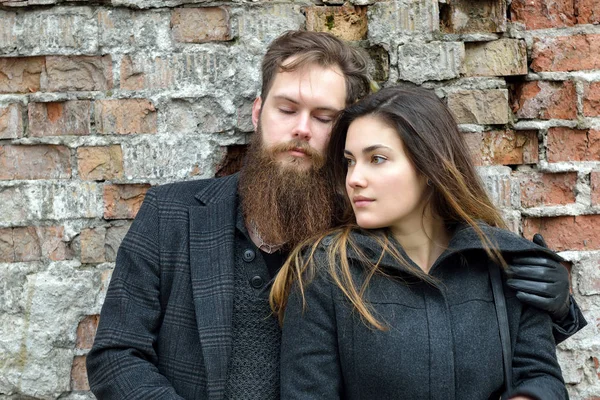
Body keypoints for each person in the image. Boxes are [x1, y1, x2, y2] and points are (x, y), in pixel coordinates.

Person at [86, 30, 583, 399]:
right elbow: (116, 354)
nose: (303, 129)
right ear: (258, 113)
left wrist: (559, 305)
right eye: (287, 109)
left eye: (323, 118)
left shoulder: (364, 223)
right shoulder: (172, 214)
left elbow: (456, 307)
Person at [271, 86, 577, 399]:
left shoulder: (502, 261)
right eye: (350, 161)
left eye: (377, 159)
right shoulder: (326, 271)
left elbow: (542, 378)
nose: (354, 178)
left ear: (429, 166)